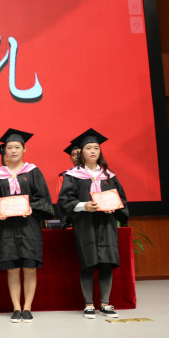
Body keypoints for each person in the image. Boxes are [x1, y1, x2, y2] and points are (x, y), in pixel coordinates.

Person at [0, 129, 55, 323]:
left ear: (24, 149)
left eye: (17, 147)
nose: (13, 151)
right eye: (10, 148)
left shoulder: (33, 172)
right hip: (7, 228)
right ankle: (16, 307)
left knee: (30, 267)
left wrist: (31, 208)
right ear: (4, 151)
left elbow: (43, 199)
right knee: (13, 269)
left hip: (29, 226)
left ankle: (27, 307)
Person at [58, 129, 128, 319]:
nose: (93, 151)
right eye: (88, 148)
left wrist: (115, 208)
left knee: (106, 262)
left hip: (106, 223)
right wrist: (84, 206)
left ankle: (105, 304)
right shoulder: (73, 175)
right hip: (85, 223)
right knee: (88, 262)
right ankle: (89, 304)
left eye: (96, 148)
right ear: (81, 152)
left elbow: (121, 199)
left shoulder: (109, 175)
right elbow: (65, 201)